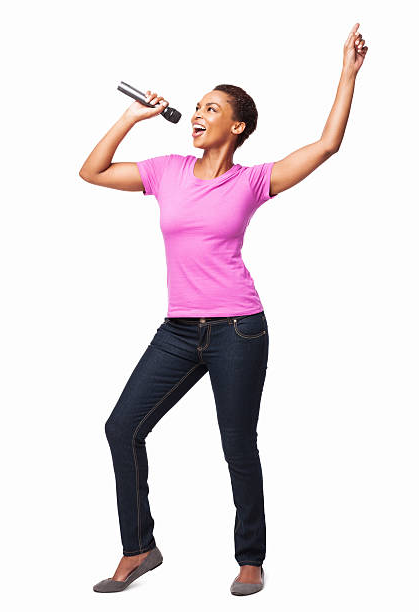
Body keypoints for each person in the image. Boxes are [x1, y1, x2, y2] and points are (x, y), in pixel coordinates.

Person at [79, 23, 368, 596]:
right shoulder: (165, 171)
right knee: (122, 428)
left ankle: (250, 559)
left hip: (239, 327)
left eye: (211, 108)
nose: (197, 114)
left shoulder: (254, 181)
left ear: (235, 126)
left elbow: (327, 144)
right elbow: (91, 172)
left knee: (237, 443)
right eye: (196, 107)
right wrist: (133, 118)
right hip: (179, 331)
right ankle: (138, 548)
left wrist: (347, 75)